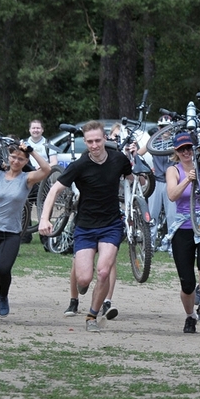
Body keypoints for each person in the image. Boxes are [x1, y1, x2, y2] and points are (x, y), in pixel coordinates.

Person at [39, 120, 131, 332]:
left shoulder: (119, 159)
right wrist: (44, 218)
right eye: (89, 141)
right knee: (84, 278)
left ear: (105, 139)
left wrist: (142, 185)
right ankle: (81, 287)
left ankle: (92, 316)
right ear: (85, 142)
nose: (94, 145)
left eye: (98, 140)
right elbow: (54, 191)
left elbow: (133, 178)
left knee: (104, 271)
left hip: (111, 225)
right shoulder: (79, 165)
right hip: (86, 227)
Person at [0, 140, 51, 323]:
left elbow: (46, 170)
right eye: (13, 157)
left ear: (25, 161)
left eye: (20, 159)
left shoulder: (26, 179)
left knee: (2, 269)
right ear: (8, 157)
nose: (16, 161)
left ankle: (3, 295)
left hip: (11, 232)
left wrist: (31, 151)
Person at [165, 131, 200, 333]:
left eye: (189, 148)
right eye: (182, 149)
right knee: (187, 283)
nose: (186, 152)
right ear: (176, 152)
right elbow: (172, 195)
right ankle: (190, 316)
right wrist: (188, 179)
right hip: (184, 226)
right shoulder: (174, 170)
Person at [147, 115, 177, 252]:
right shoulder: (153, 143)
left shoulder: (175, 143)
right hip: (157, 181)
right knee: (152, 214)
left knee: (172, 216)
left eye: (168, 128)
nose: (165, 130)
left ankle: (172, 246)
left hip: (172, 182)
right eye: (161, 127)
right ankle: (150, 244)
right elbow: (140, 153)